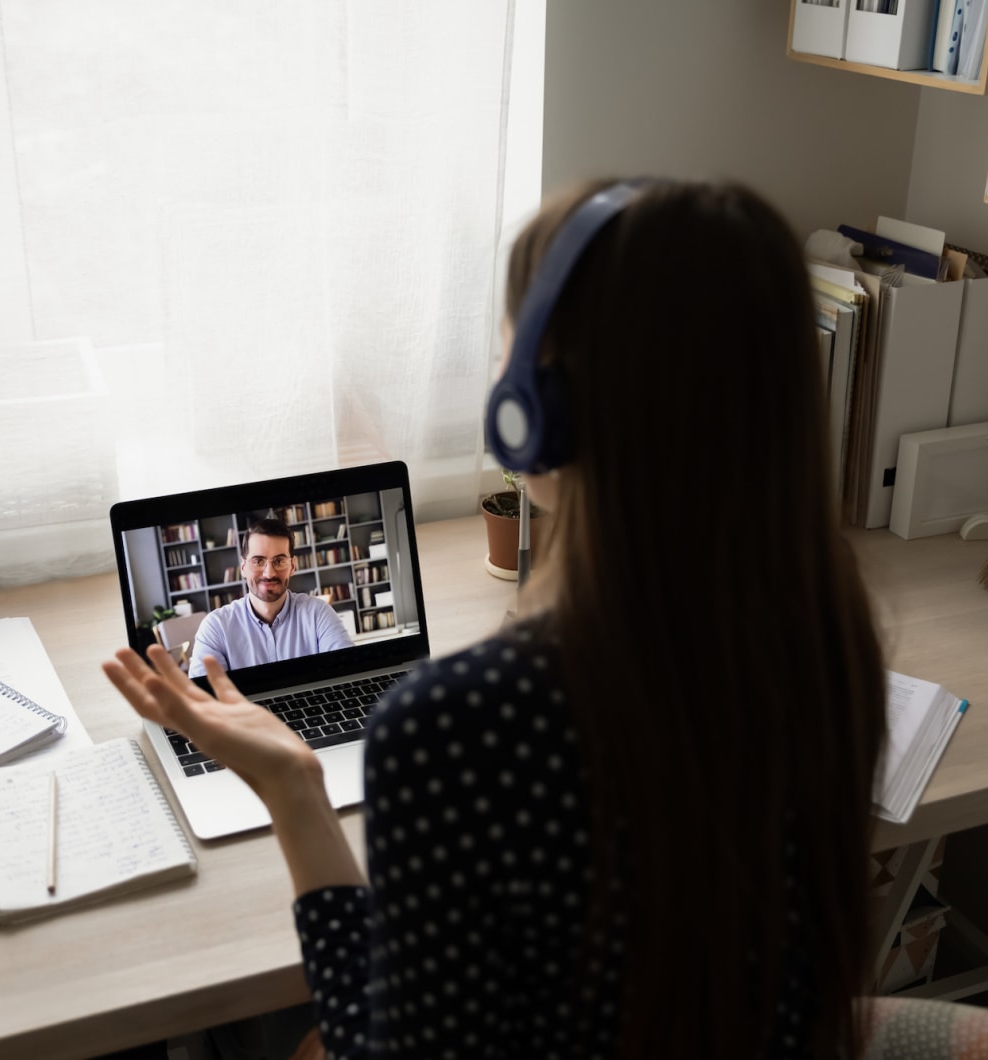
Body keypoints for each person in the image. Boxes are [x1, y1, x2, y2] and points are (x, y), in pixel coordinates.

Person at [104, 178, 886, 1058]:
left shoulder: (460, 726)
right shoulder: (826, 638)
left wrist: (294, 793)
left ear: (536, 411)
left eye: (509, 340)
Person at [186, 517, 355, 679]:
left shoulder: (319, 613)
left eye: (279, 561)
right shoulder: (216, 626)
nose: (269, 573)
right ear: (243, 567)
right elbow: (206, 697)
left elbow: (348, 674)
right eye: (258, 561)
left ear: (293, 566)